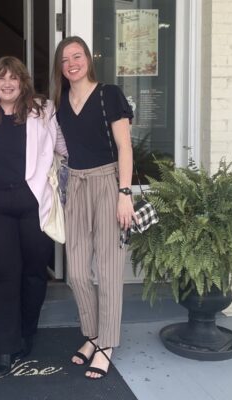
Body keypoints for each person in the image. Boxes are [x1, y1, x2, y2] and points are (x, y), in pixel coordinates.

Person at [0, 56, 67, 377]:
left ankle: (27, 331)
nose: (7, 83)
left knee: (33, 273)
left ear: (23, 81)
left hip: (33, 204)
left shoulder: (43, 110)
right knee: (2, 274)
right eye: (1, 78)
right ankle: (5, 345)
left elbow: (63, 146)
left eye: (13, 78)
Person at [51, 36, 135, 379]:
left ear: (88, 58)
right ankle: (93, 333)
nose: (72, 62)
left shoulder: (108, 94)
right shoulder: (59, 103)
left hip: (107, 182)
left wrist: (124, 193)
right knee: (77, 272)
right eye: (65, 58)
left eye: (78, 55)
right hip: (77, 184)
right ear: (60, 67)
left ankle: (107, 343)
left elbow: (125, 147)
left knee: (110, 269)